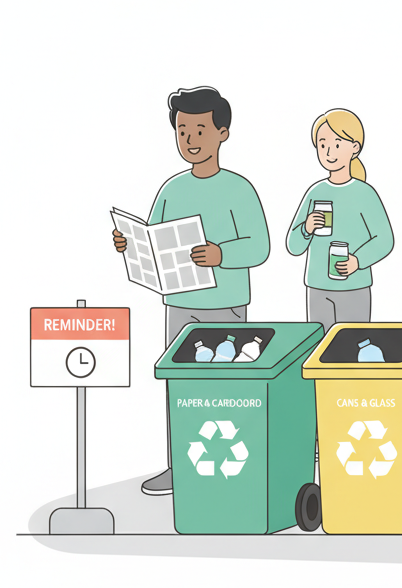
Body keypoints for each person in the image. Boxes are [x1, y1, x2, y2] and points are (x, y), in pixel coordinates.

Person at [112, 87, 270, 496]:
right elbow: (153, 239)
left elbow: (260, 247)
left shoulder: (240, 189)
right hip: (180, 307)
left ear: (223, 133)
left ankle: (236, 470)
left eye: (200, 129)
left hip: (226, 307)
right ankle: (180, 467)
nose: (191, 139)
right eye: (183, 130)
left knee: (229, 390)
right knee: (181, 389)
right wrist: (130, 245)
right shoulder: (171, 190)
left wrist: (221, 254)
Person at [286, 109, 394, 327]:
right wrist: (306, 228)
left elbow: (385, 240)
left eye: (336, 144)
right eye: (322, 145)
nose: (328, 152)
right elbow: (293, 246)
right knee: (320, 350)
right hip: (318, 287)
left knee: (353, 349)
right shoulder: (315, 192)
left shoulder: (365, 193)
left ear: (355, 148)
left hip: (355, 288)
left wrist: (358, 261)